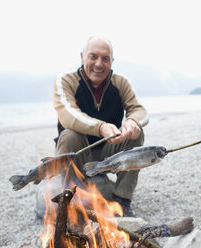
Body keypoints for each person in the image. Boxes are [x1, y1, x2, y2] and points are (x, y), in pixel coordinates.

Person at [52, 35, 149, 217]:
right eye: (93, 56)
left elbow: (139, 110)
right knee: (69, 134)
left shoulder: (120, 82)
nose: (99, 64)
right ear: (82, 57)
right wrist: (101, 127)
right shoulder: (65, 80)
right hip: (77, 152)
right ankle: (69, 201)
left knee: (137, 133)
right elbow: (67, 114)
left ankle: (122, 201)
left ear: (111, 61)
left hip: (108, 151)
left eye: (105, 58)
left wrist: (132, 121)